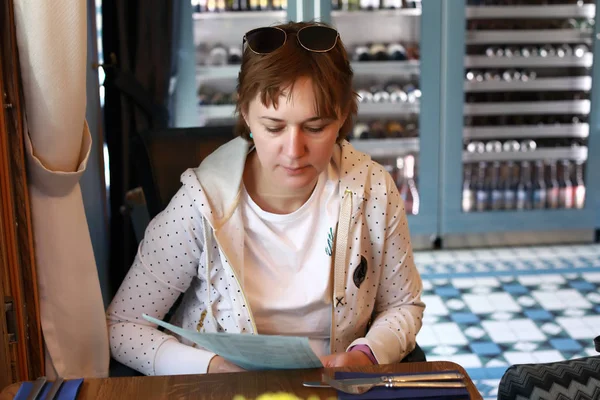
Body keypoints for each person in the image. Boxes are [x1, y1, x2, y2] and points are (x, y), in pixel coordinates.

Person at [107, 21, 425, 376]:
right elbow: (122, 326)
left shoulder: (373, 191)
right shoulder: (201, 202)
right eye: (274, 127)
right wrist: (211, 368)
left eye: (315, 127)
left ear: (343, 117)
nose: (294, 151)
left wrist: (367, 353)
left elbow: (404, 305)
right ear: (245, 114)